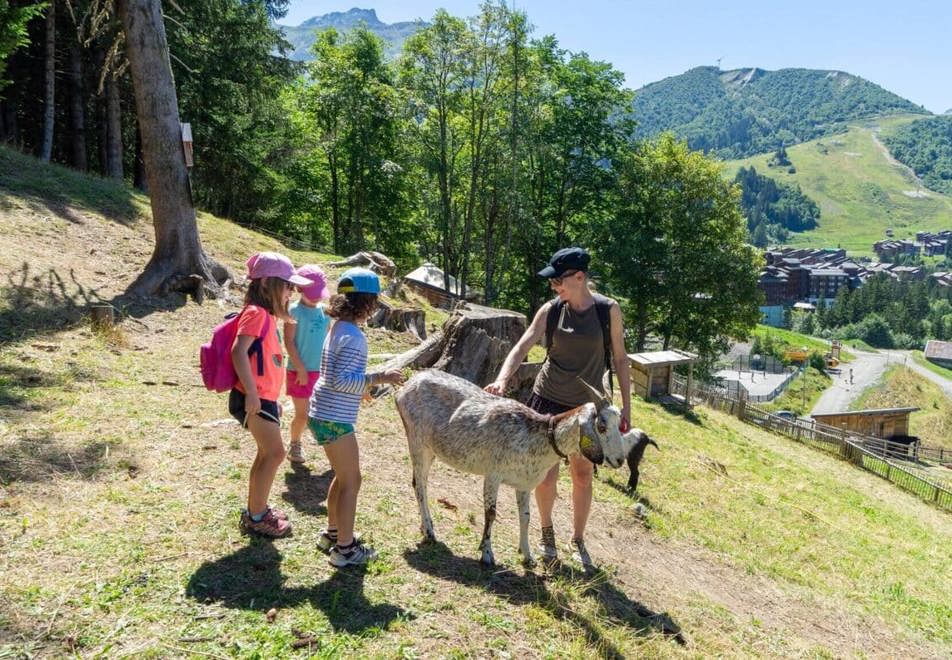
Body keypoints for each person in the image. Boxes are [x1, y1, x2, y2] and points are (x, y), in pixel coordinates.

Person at [484, 247, 631, 566]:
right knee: (545, 475)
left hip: (586, 411)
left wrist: (627, 409)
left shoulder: (608, 311)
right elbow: (523, 344)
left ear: (580, 277)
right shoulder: (551, 311)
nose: (554, 287)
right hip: (548, 403)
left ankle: (578, 539)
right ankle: (546, 534)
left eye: (558, 281)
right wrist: (502, 379)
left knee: (582, 474)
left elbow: (620, 358)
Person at [308, 268, 403, 567]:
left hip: (322, 411)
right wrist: (378, 377)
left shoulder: (337, 327)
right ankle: (345, 550)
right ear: (367, 303)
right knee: (352, 480)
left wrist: (361, 388)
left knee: (342, 475)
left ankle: (333, 534)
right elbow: (341, 379)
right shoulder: (354, 336)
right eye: (374, 301)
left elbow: (337, 374)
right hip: (334, 416)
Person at [231, 252, 311, 538]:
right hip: (254, 398)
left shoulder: (265, 317)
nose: (292, 292)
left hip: (263, 398)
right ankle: (256, 516)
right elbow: (238, 352)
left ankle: (257, 510)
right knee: (276, 453)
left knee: (267, 454)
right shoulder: (256, 314)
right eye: (287, 285)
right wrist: (253, 394)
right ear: (266, 283)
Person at [284, 265, 331, 464]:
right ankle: (294, 443)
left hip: (321, 372)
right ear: (299, 289)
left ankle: (333, 448)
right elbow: (289, 342)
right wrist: (300, 368)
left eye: (319, 294)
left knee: (323, 413)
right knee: (302, 415)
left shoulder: (325, 312)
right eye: (312, 294)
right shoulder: (294, 311)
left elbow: (329, 339)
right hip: (299, 372)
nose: (317, 298)